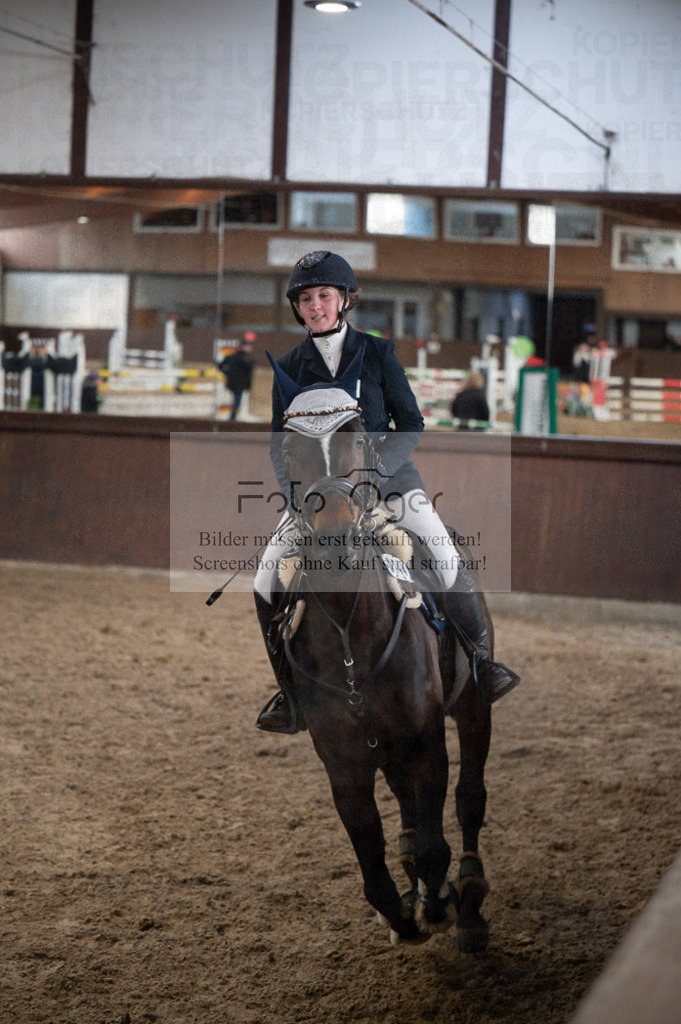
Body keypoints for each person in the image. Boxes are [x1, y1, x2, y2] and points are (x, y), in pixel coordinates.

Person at [253, 250, 520, 733]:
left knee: (442, 551)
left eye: (324, 296)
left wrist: (376, 474)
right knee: (266, 575)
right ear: (299, 307)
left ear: (344, 300)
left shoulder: (378, 353)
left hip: (390, 486)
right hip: (319, 499)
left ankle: (481, 662)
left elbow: (410, 423)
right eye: (307, 299)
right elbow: (279, 444)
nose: (316, 306)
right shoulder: (290, 367)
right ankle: (290, 695)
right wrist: (296, 499)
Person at [218, 332, 257, 421]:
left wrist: (227, 373)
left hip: (232, 382)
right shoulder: (247, 359)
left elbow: (220, 365)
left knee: (236, 400)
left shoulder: (232, 356)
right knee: (237, 401)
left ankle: (233, 417)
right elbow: (249, 373)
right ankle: (232, 418)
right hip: (240, 383)